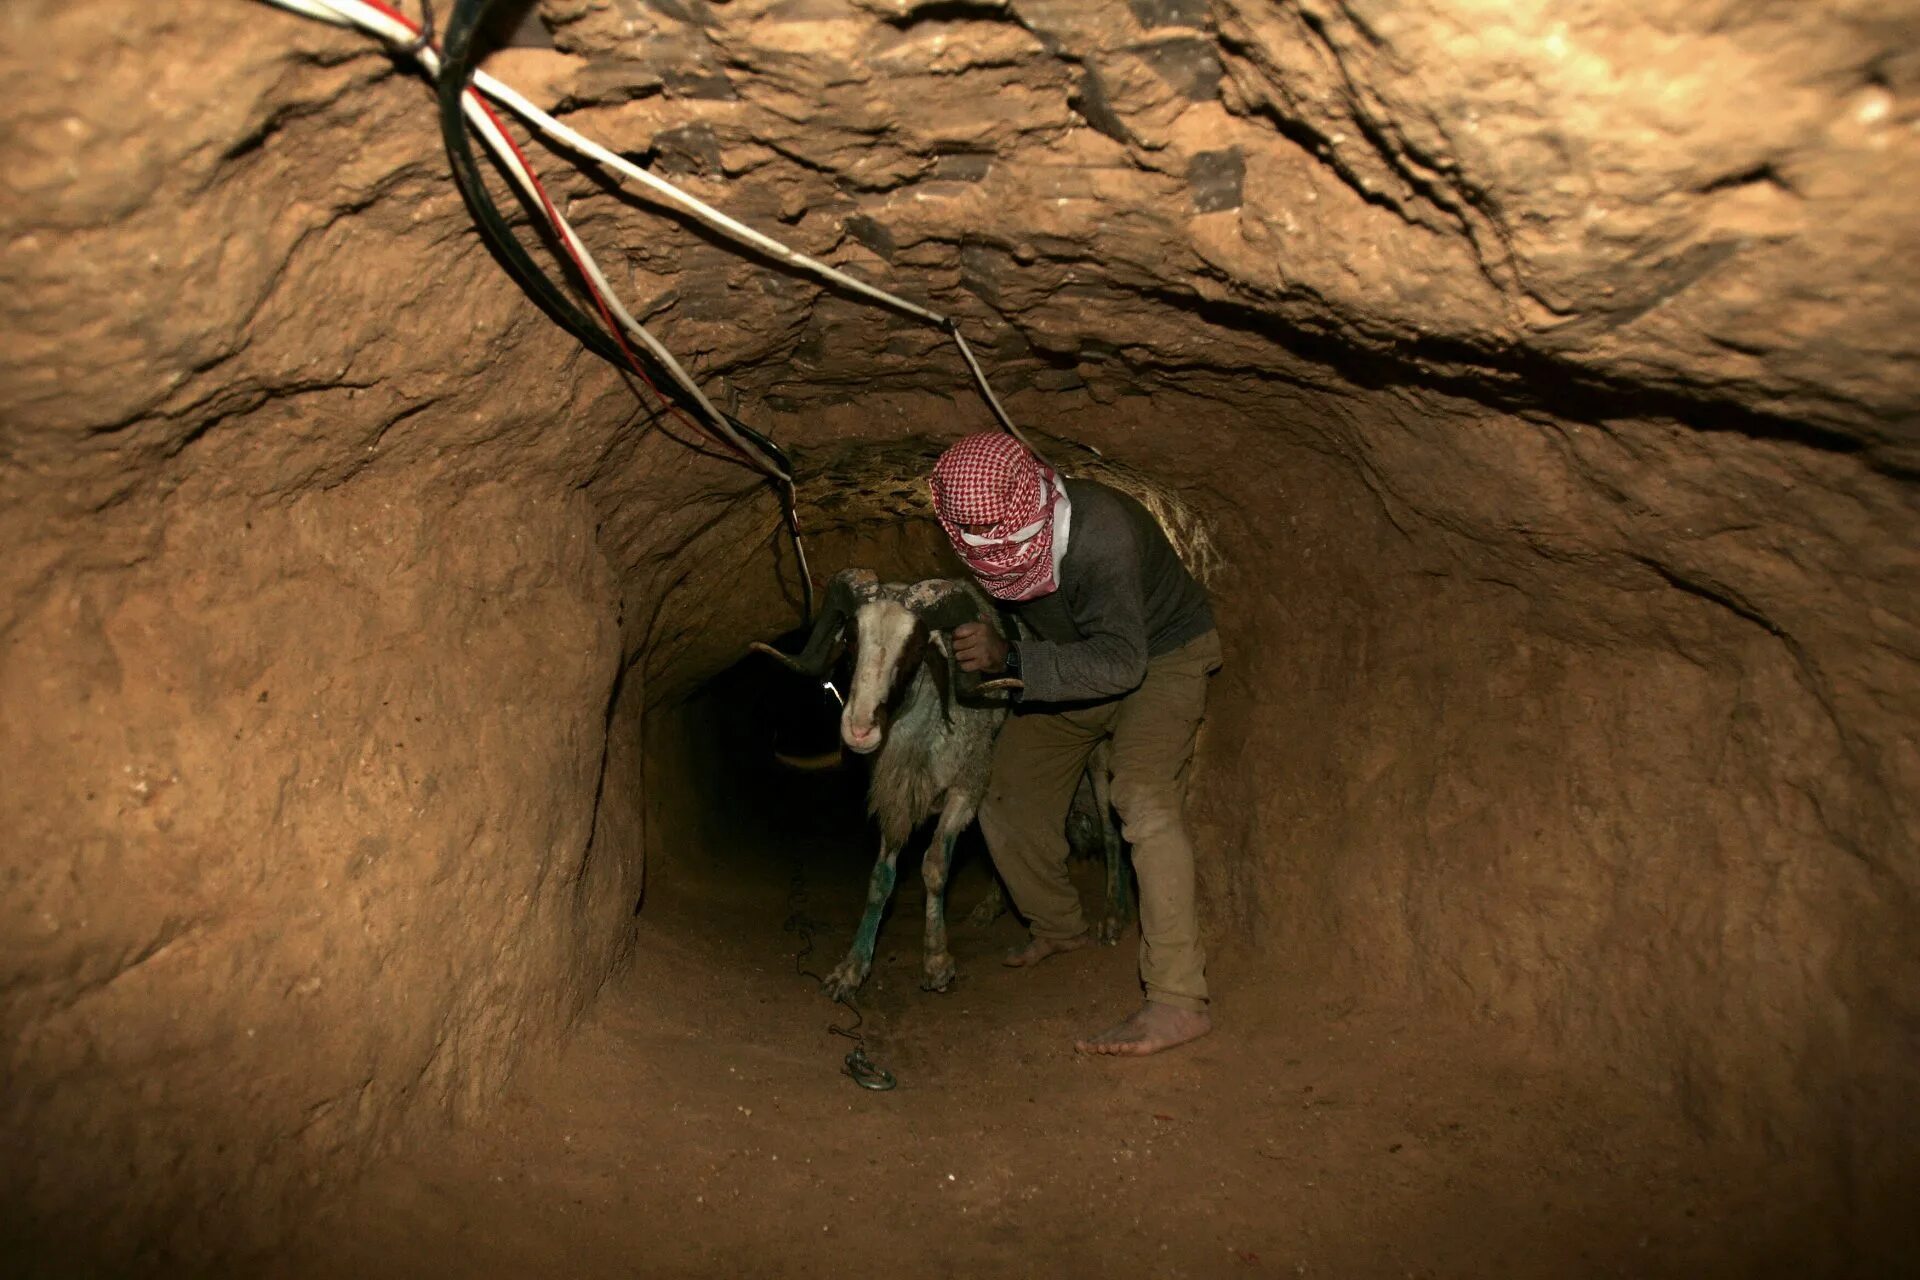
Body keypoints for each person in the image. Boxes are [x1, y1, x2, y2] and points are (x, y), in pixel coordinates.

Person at [929, 431, 1222, 1057]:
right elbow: (1038, 618)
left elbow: (1122, 663)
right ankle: (1059, 926)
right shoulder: (992, 522)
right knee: (1005, 792)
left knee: (1141, 794)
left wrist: (1010, 657)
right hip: (1074, 662)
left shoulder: (1100, 534)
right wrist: (996, 638)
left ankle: (1178, 1001)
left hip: (1160, 657)